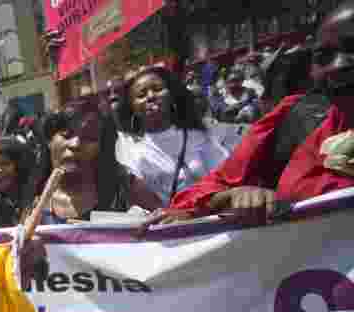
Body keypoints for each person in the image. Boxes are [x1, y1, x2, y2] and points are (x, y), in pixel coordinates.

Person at [164, 1, 354, 225]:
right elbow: (201, 195)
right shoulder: (295, 117)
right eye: (323, 57)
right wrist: (230, 198)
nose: (338, 65)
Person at [114, 65, 230, 206]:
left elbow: (225, 175)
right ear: (132, 107)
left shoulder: (196, 133)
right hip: (164, 224)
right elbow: (142, 200)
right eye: (141, 95)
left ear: (171, 96)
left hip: (209, 213)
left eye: (157, 89)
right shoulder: (128, 145)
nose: (150, 96)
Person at [33, 99, 162, 224]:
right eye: (67, 135)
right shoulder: (33, 199)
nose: (76, 144)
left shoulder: (126, 188)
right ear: (49, 141)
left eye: (89, 137)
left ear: (103, 146)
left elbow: (169, 225)